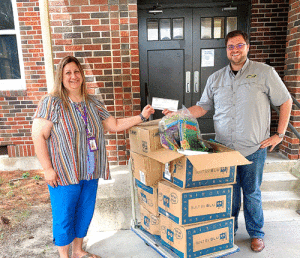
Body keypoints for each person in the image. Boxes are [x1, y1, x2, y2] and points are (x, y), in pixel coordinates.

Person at [163, 30, 292, 253]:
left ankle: (256, 233)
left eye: (239, 45)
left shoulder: (264, 73)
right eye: (231, 46)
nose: (235, 50)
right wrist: (177, 114)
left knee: (251, 193)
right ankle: (227, 231)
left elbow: (286, 101)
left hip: (253, 148)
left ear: (247, 47)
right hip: (224, 150)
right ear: (226, 50)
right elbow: (202, 107)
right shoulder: (216, 78)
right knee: (228, 193)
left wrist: (279, 135)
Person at [32, 56, 154, 258]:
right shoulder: (51, 103)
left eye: (76, 71)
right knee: (64, 216)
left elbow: (113, 125)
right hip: (64, 172)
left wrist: (141, 117)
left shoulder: (93, 102)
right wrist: (47, 168)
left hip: (90, 169)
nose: (73, 76)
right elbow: (38, 135)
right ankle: (65, 256)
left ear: (82, 74)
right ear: (61, 77)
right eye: (68, 73)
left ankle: (78, 250)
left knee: (85, 212)